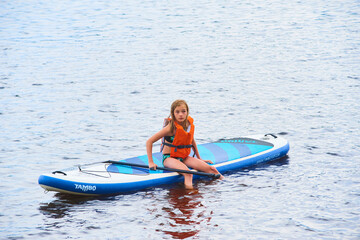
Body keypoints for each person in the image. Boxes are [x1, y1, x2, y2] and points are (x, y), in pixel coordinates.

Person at [146, 99, 224, 189]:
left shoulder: (187, 124)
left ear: (187, 112)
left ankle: (228, 183)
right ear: (173, 113)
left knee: (212, 170)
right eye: (177, 112)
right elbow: (149, 142)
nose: (181, 114)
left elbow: (191, 140)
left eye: (183, 111)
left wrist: (199, 158)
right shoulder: (170, 128)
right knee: (188, 174)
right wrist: (151, 162)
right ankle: (190, 195)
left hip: (184, 157)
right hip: (169, 158)